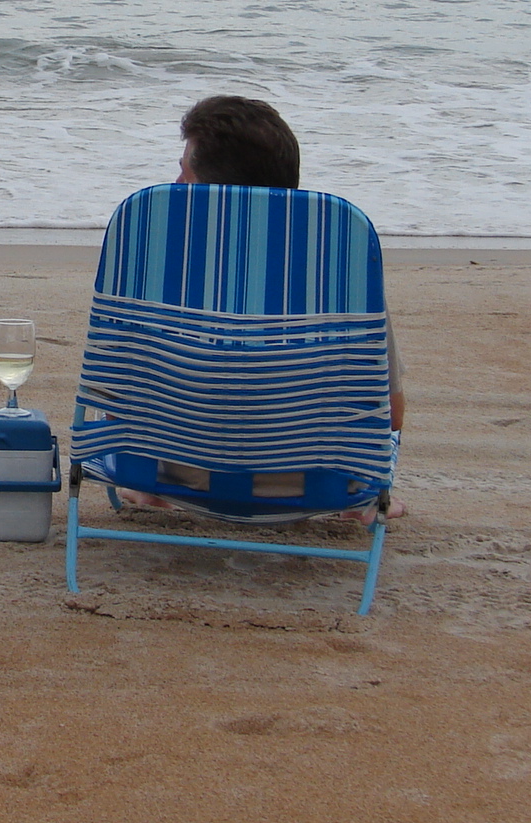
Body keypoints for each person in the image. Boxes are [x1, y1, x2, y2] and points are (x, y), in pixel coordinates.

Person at [124, 93, 405, 519]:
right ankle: (366, 503)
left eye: (185, 174)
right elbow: (390, 415)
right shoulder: (340, 271)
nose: (177, 185)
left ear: (207, 192)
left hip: (179, 479)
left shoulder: (159, 263)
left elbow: (119, 403)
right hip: (319, 486)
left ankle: (149, 493)